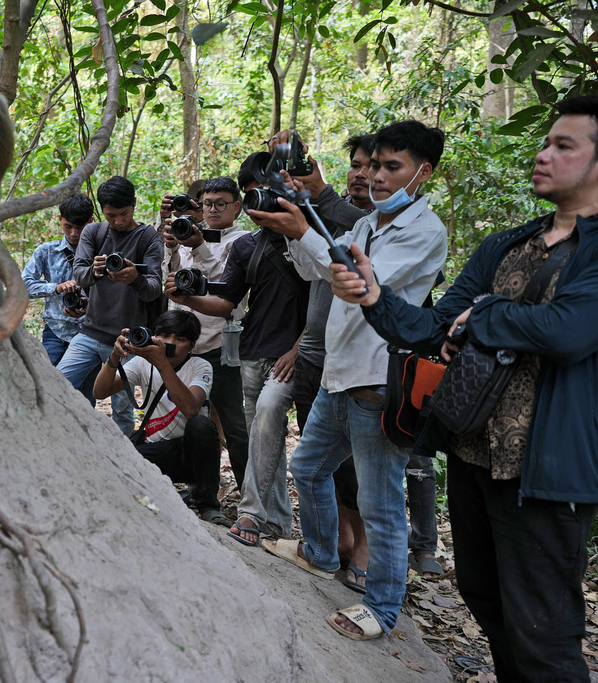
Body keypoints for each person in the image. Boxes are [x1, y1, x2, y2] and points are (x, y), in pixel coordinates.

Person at [330, 95, 598, 677]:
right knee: (486, 600)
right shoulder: (506, 244)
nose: (543, 153)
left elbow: (570, 330)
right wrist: (375, 296)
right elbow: (433, 326)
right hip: (476, 457)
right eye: (545, 141)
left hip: (547, 473)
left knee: (545, 634)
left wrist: (481, 316)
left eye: (563, 145)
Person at [253, 120, 447, 641]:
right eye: (374, 166)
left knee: (380, 505)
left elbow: (360, 283)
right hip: (339, 377)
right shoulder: (366, 225)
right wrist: (298, 229)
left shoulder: (425, 232)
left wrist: (305, 229)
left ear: (422, 172)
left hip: (376, 386)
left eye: (392, 167)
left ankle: (382, 610)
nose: (378, 178)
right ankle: (319, 553)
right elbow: (324, 269)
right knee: (309, 467)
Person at [167, 158, 309, 542]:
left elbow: (325, 300)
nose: (213, 209)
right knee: (253, 432)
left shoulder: (299, 238)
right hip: (243, 350)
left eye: (222, 202)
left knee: (256, 430)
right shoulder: (251, 244)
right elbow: (221, 297)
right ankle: (270, 517)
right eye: (253, 195)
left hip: (276, 352)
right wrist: (184, 289)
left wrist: (300, 347)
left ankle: (259, 515)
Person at [281, 132, 376, 592]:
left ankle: (364, 550)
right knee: (323, 464)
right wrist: (298, 228)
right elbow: (308, 270)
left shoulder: (380, 223)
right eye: (355, 163)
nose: (361, 172)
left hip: (367, 369)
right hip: (320, 358)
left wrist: (322, 198)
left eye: (371, 165)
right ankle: (336, 540)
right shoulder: (334, 218)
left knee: (362, 466)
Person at [93, 309, 228, 524]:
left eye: (180, 339)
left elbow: (191, 409)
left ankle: (208, 505)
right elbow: (99, 392)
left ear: (192, 345)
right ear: (155, 336)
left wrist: (163, 364)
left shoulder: (200, 366)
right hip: (156, 451)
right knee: (119, 459)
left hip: (191, 454)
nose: (170, 343)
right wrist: (115, 356)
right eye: (164, 336)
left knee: (202, 425)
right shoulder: (141, 364)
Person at [161, 176, 251, 490]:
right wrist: (172, 248)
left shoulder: (242, 240)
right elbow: (171, 281)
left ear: (236, 206)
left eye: (220, 204)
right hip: (185, 347)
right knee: (191, 423)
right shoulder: (190, 234)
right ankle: (203, 489)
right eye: (207, 203)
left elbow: (227, 289)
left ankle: (250, 500)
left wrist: (199, 247)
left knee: (234, 425)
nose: (212, 210)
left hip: (219, 345)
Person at [57, 176, 164, 436]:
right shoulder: (94, 232)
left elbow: (153, 290)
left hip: (128, 340)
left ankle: (124, 463)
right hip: (90, 332)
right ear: (101, 212)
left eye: (123, 214)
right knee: (57, 384)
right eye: (110, 215)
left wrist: (135, 279)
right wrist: (95, 271)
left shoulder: (148, 238)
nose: (117, 221)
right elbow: (79, 275)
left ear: (135, 204)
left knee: (123, 411)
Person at [21, 193, 95, 366]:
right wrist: (57, 288)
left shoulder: (100, 253)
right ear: (60, 219)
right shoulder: (46, 251)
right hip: (55, 332)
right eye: (68, 226)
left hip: (90, 333)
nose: (73, 233)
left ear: (90, 222)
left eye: (80, 227)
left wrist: (88, 306)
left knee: (86, 391)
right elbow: (22, 286)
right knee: (49, 385)